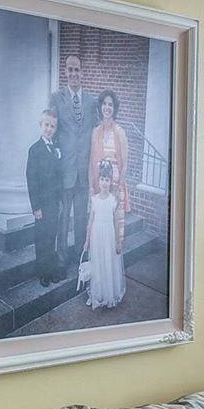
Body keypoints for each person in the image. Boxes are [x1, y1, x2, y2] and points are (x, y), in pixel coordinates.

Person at [83, 92, 130, 309]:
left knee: (114, 231)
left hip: (115, 183)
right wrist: (94, 183)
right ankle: (100, 286)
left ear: (114, 108)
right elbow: (93, 159)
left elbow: (125, 162)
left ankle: (112, 284)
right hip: (100, 183)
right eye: (104, 104)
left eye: (111, 104)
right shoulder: (95, 132)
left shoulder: (120, 132)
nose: (107, 108)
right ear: (100, 107)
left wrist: (118, 185)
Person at [24, 108, 72, 282]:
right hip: (42, 204)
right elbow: (32, 180)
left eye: (52, 126)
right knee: (42, 238)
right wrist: (36, 207)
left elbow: (59, 176)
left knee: (51, 237)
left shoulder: (56, 148)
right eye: (46, 125)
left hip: (53, 202)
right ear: (40, 125)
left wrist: (60, 200)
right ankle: (42, 273)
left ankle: (51, 270)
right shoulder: (35, 150)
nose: (49, 129)